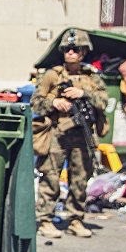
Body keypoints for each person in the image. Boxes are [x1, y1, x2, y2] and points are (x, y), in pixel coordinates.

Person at [31, 28, 107, 239]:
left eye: (75, 49)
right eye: (67, 49)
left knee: (80, 178)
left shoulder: (91, 77)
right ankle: (45, 219)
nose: (70, 53)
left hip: (82, 135)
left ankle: (76, 218)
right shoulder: (52, 75)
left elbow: (104, 101)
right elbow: (35, 102)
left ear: (83, 52)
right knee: (51, 178)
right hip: (57, 133)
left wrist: (84, 93)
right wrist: (54, 102)